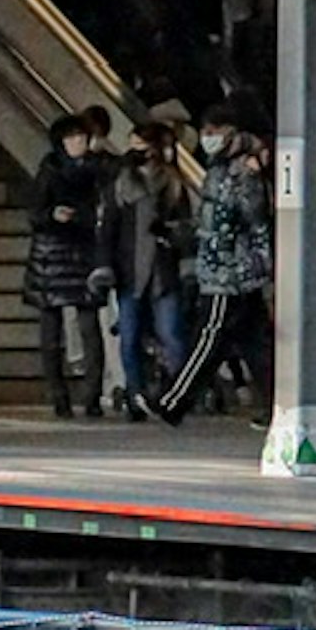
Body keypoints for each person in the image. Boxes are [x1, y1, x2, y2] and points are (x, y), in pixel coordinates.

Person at [106, 106, 200, 413]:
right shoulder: (121, 183)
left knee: (171, 334)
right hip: (129, 268)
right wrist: (104, 264)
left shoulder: (173, 183)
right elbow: (109, 227)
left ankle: (177, 393)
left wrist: (172, 235)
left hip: (164, 269)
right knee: (129, 335)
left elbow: (187, 227)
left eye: (141, 146)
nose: (136, 152)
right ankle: (136, 393)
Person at [25, 108, 116, 420]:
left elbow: (108, 209)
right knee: (51, 333)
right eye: (71, 137)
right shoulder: (49, 169)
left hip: (84, 250)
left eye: (81, 136)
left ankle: (91, 396)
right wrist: (52, 215)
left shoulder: (100, 170)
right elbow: (34, 212)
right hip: (52, 253)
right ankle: (58, 397)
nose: (77, 142)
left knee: (90, 328)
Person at [194, 116, 275, 422]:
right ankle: (268, 402)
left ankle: (174, 400)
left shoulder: (240, 172)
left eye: (214, 131)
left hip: (234, 270)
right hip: (241, 268)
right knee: (254, 341)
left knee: (216, 336)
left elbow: (246, 219)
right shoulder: (222, 169)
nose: (207, 137)